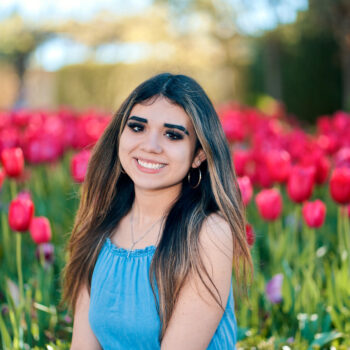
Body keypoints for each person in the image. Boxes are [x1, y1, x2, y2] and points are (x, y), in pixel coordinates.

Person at [61, 73, 252, 349]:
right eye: (137, 128)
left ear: (199, 154)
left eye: (172, 135)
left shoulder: (208, 234)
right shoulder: (100, 231)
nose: (150, 146)